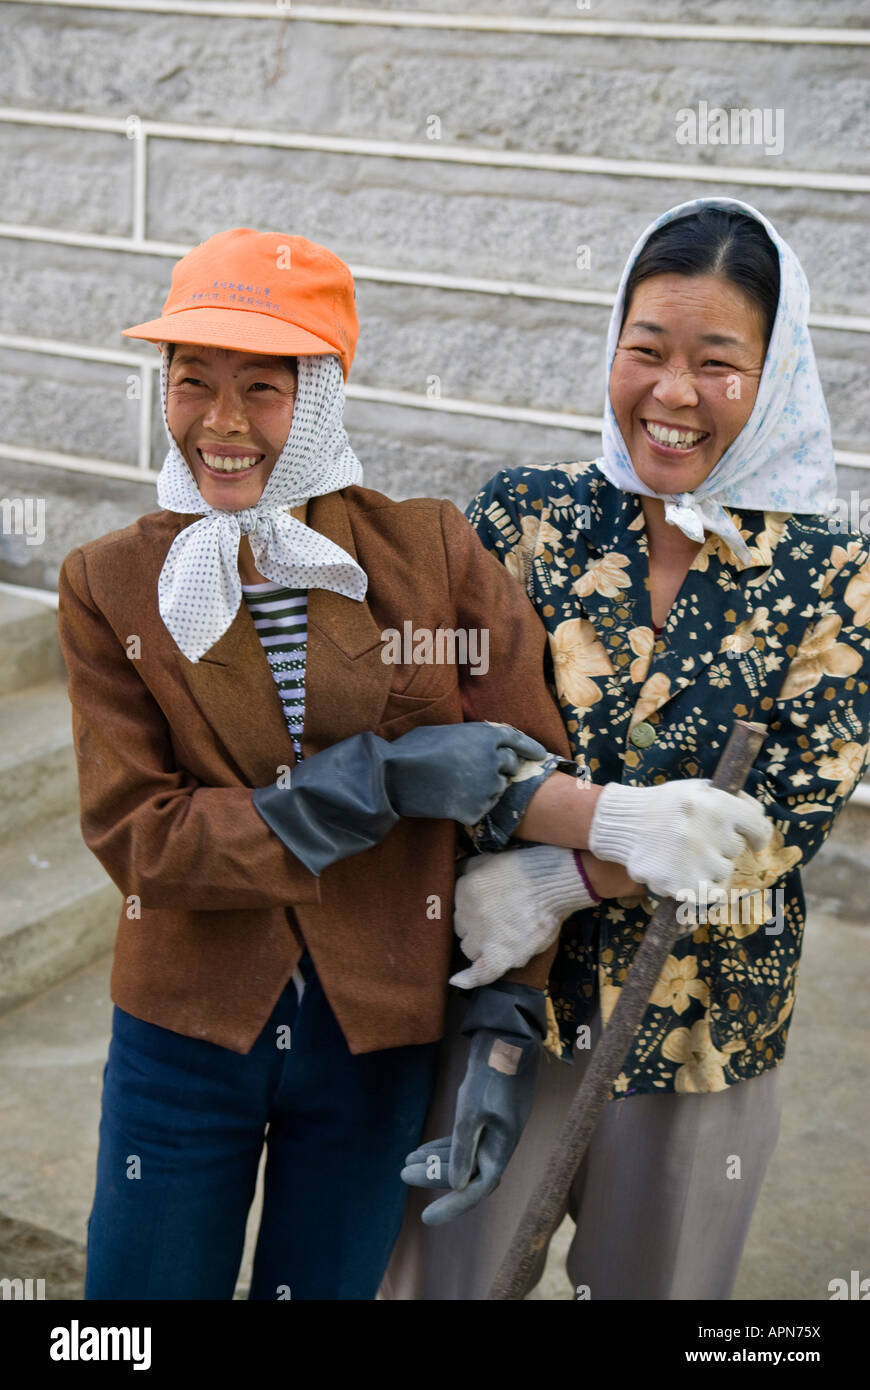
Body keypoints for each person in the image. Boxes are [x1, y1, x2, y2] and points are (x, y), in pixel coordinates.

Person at [58, 227, 583, 1300]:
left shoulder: (430, 553)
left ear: (326, 394)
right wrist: (380, 783)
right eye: (191, 380)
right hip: (186, 1029)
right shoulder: (110, 583)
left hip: (375, 1028)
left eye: (264, 386)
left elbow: (525, 793)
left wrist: (501, 1029)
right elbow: (142, 836)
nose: (221, 423)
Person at [381, 197, 870, 1300]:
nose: (674, 392)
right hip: (504, 996)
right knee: (444, 1280)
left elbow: (782, 818)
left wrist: (564, 871)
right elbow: (426, 725)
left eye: (718, 362)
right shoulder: (522, 519)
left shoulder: (836, 575)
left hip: (705, 1021)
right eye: (646, 350)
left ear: (776, 372)